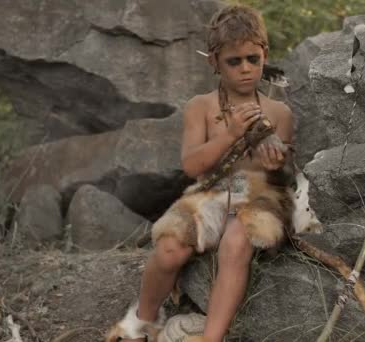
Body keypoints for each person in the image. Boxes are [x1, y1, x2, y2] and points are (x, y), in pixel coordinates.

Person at [115, 5, 293, 342]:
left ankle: (211, 337)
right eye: (234, 61)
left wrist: (274, 163)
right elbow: (192, 166)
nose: (245, 69)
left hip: (259, 194)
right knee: (169, 249)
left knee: (237, 241)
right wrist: (231, 133)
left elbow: (282, 174)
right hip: (210, 189)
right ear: (214, 61)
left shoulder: (278, 110)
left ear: (264, 55)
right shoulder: (201, 107)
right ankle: (143, 321)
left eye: (253, 59)